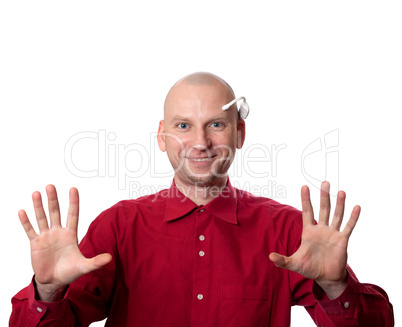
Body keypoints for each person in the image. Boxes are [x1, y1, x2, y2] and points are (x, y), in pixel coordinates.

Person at [10, 72, 394, 326]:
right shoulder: (118, 228)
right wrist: (47, 291)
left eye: (215, 124)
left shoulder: (288, 231)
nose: (200, 143)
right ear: (161, 136)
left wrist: (336, 286)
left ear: (239, 133)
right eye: (183, 126)